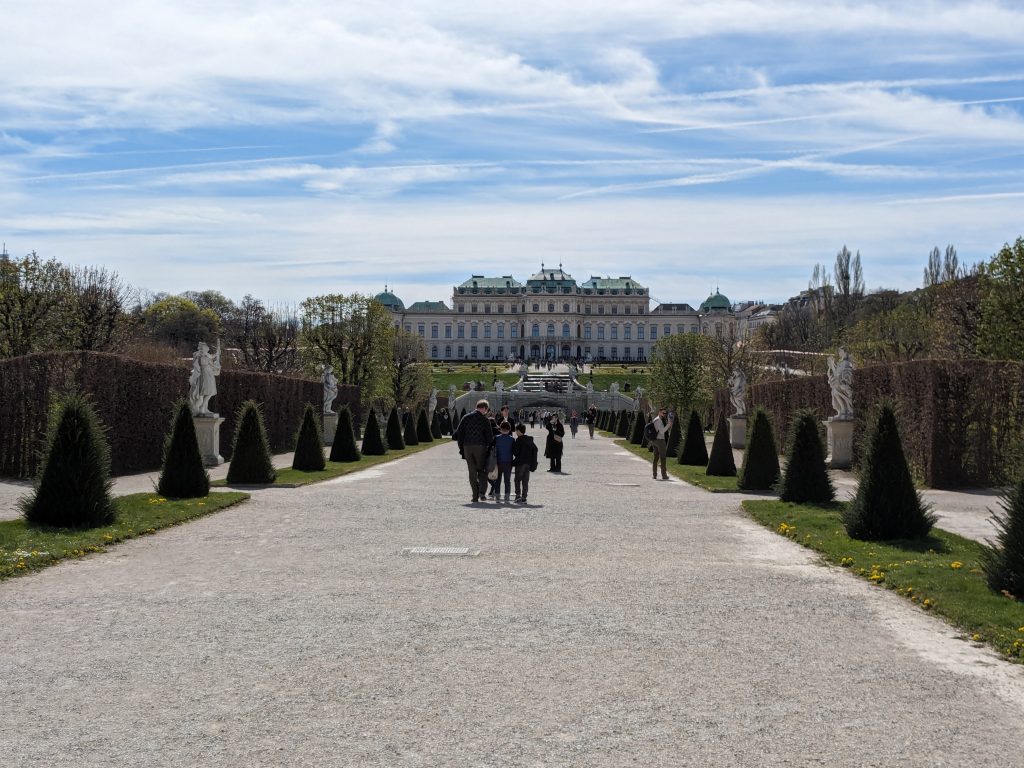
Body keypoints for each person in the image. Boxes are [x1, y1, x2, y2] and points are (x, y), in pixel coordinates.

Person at [453, 398, 495, 503]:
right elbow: (490, 438)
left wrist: (461, 449)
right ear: (485, 409)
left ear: (477, 407)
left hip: (467, 447)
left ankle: (475, 496)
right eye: (487, 410)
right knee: (482, 471)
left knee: (472, 472)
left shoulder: (466, 417)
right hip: (480, 447)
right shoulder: (485, 420)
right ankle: (482, 493)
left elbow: (458, 434)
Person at [512, 423, 537, 503]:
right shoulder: (530, 440)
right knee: (525, 481)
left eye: (516, 431)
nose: (516, 432)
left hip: (520, 463)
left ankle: (518, 496)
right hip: (528, 463)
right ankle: (524, 498)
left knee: (517, 480)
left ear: (519, 431)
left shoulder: (519, 440)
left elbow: (515, 452)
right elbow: (535, 449)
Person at [491, 421, 515, 501]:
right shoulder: (512, 439)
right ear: (509, 429)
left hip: (498, 462)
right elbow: (514, 451)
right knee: (507, 480)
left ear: (500, 429)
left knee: (498, 480)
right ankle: (507, 495)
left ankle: (497, 495)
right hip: (508, 462)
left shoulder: (496, 438)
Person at [649, 406, 673, 480]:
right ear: (659, 412)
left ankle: (654, 475)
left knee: (655, 458)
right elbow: (662, 431)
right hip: (660, 441)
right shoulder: (658, 420)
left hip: (655, 441)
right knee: (663, 458)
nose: (664, 414)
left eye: (665, 413)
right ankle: (664, 475)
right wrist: (669, 425)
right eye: (663, 413)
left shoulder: (656, 419)